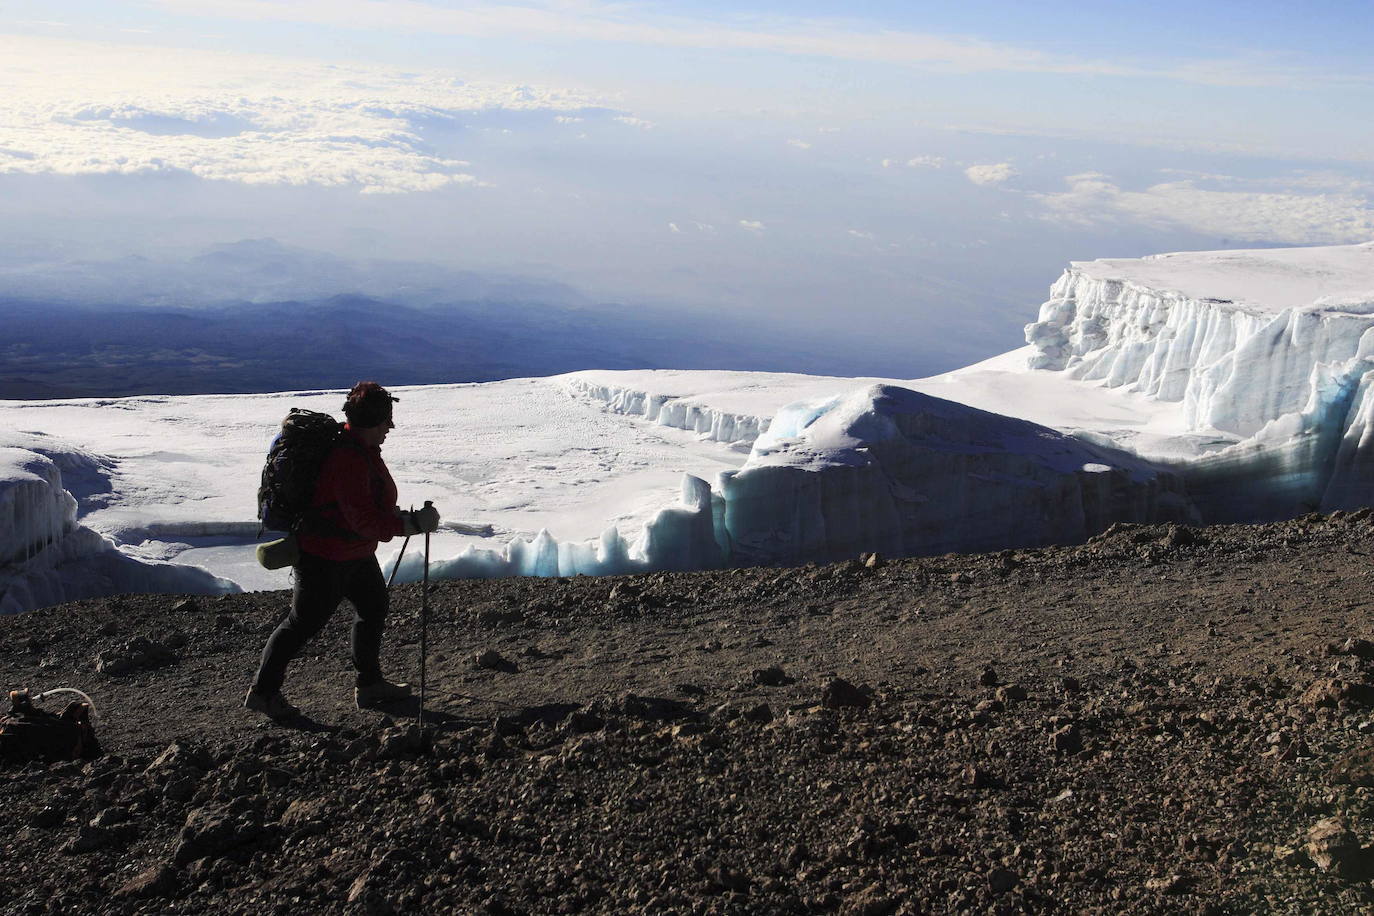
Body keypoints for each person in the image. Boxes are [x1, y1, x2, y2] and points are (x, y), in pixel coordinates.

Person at [244, 381, 440, 718]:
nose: (389, 428)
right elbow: (363, 519)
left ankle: (370, 685)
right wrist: (409, 524)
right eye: (385, 422)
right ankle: (263, 692)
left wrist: (404, 519)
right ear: (372, 422)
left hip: (354, 554)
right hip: (325, 558)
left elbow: (368, 510)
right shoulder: (347, 460)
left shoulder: (361, 451)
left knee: (373, 607)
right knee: (301, 624)